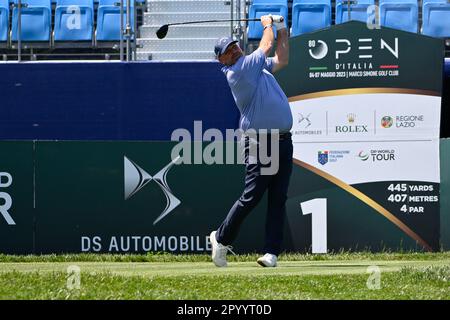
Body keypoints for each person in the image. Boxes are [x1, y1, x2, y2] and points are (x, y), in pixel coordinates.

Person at [210, 15, 293, 268]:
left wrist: (283, 32)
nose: (234, 49)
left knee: (278, 198)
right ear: (221, 60)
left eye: (234, 45)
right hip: (260, 143)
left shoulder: (254, 66)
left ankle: (271, 253)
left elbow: (282, 59)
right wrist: (268, 24)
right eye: (228, 50)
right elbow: (266, 46)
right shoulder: (239, 71)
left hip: (282, 141)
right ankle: (221, 238)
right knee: (252, 196)